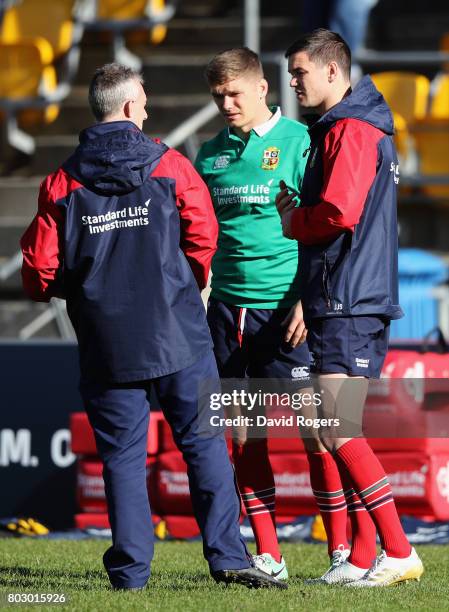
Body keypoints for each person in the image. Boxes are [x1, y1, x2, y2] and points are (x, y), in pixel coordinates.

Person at [20, 63, 286, 591]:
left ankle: (131, 575)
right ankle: (229, 560)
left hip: (107, 343)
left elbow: (38, 271)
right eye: (142, 101)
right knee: (205, 444)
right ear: (125, 108)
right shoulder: (170, 165)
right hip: (180, 335)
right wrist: (179, 288)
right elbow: (202, 236)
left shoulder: (61, 182)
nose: (145, 109)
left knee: (122, 459)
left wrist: (87, 293)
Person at [275, 29, 424, 587]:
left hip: (348, 297)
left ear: (332, 72)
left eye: (299, 72)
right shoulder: (349, 127)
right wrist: (305, 209)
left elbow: (339, 212)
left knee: (336, 428)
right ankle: (363, 556)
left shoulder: (353, 130)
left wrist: (297, 221)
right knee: (336, 424)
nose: (294, 83)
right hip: (348, 293)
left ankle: (400, 548)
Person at [195, 47, 311, 581]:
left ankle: (345, 554)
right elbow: (199, 234)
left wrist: (310, 297)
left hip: (286, 307)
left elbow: (327, 229)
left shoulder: (300, 142)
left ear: (263, 89)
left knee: (326, 430)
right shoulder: (208, 153)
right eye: (218, 96)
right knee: (242, 433)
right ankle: (269, 553)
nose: (226, 104)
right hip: (226, 311)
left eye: (234, 93)